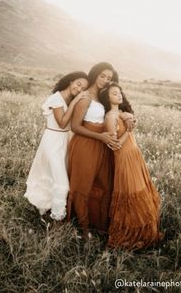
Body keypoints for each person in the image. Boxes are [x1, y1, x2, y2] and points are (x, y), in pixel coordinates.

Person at [67, 62, 135, 238]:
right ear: (95, 74)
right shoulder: (86, 97)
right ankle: (83, 230)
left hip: (102, 146)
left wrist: (126, 116)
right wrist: (101, 137)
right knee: (83, 185)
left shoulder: (103, 96)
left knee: (105, 185)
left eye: (109, 78)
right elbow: (74, 126)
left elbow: (114, 110)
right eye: (102, 76)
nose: (105, 80)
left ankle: (101, 225)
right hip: (85, 144)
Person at [99, 82, 162, 249]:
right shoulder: (110, 117)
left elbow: (131, 127)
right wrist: (128, 130)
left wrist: (131, 123)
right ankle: (131, 236)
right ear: (107, 98)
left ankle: (146, 232)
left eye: (119, 93)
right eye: (114, 93)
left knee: (141, 190)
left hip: (135, 155)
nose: (119, 95)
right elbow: (115, 145)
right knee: (131, 192)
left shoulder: (122, 113)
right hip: (124, 157)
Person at [24, 71, 89, 221]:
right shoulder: (56, 98)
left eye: (82, 88)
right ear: (71, 81)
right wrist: (75, 101)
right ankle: (58, 220)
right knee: (62, 184)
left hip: (65, 140)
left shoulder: (70, 100)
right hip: (52, 141)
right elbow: (62, 122)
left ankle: (49, 207)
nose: (79, 89)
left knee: (55, 175)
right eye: (78, 84)